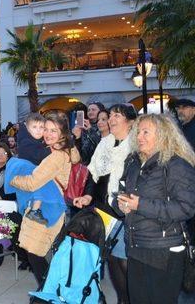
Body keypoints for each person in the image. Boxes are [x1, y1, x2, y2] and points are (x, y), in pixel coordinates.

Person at [117, 114, 195, 304]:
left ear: (163, 135)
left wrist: (140, 205)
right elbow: (125, 193)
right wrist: (122, 205)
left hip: (164, 251)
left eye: (146, 132)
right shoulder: (135, 163)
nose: (139, 137)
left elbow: (186, 208)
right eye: (138, 132)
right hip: (136, 246)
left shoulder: (177, 165)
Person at [74, 103, 137, 304]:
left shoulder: (136, 145)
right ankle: (122, 299)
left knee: (124, 260)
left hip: (126, 211)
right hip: (105, 210)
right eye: (110, 115)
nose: (111, 119)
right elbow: (95, 175)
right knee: (111, 259)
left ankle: (128, 299)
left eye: (116, 115)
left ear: (130, 121)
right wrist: (88, 196)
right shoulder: (105, 144)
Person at [8, 112, 74, 287]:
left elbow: (32, 183)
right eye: (46, 129)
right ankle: (47, 290)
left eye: (54, 130)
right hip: (45, 205)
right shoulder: (52, 151)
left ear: (63, 134)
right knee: (35, 252)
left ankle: (48, 291)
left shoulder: (57, 155)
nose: (48, 133)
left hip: (48, 208)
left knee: (35, 253)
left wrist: (12, 179)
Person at [16, 113, 52, 225]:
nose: (38, 130)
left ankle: (35, 211)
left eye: (41, 127)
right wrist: (52, 149)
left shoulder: (34, 141)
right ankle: (34, 211)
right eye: (34, 127)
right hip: (28, 178)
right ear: (27, 128)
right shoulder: (26, 141)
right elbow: (39, 155)